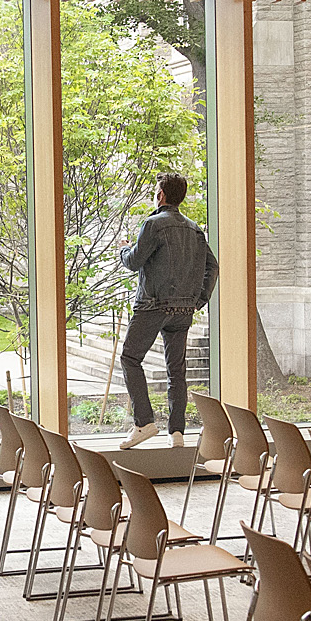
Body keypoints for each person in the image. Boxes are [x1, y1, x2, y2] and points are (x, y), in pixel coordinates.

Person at [117, 171, 219, 449]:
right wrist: (198, 299)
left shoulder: (153, 224)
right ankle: (177, 432)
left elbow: (135, 261)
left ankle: (144, 423)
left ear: (160, 195)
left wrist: (124, 249)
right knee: (177, 370)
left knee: (130, 358)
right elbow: (213, 266)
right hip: (184, 309)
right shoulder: (194, 229)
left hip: (153, 305)